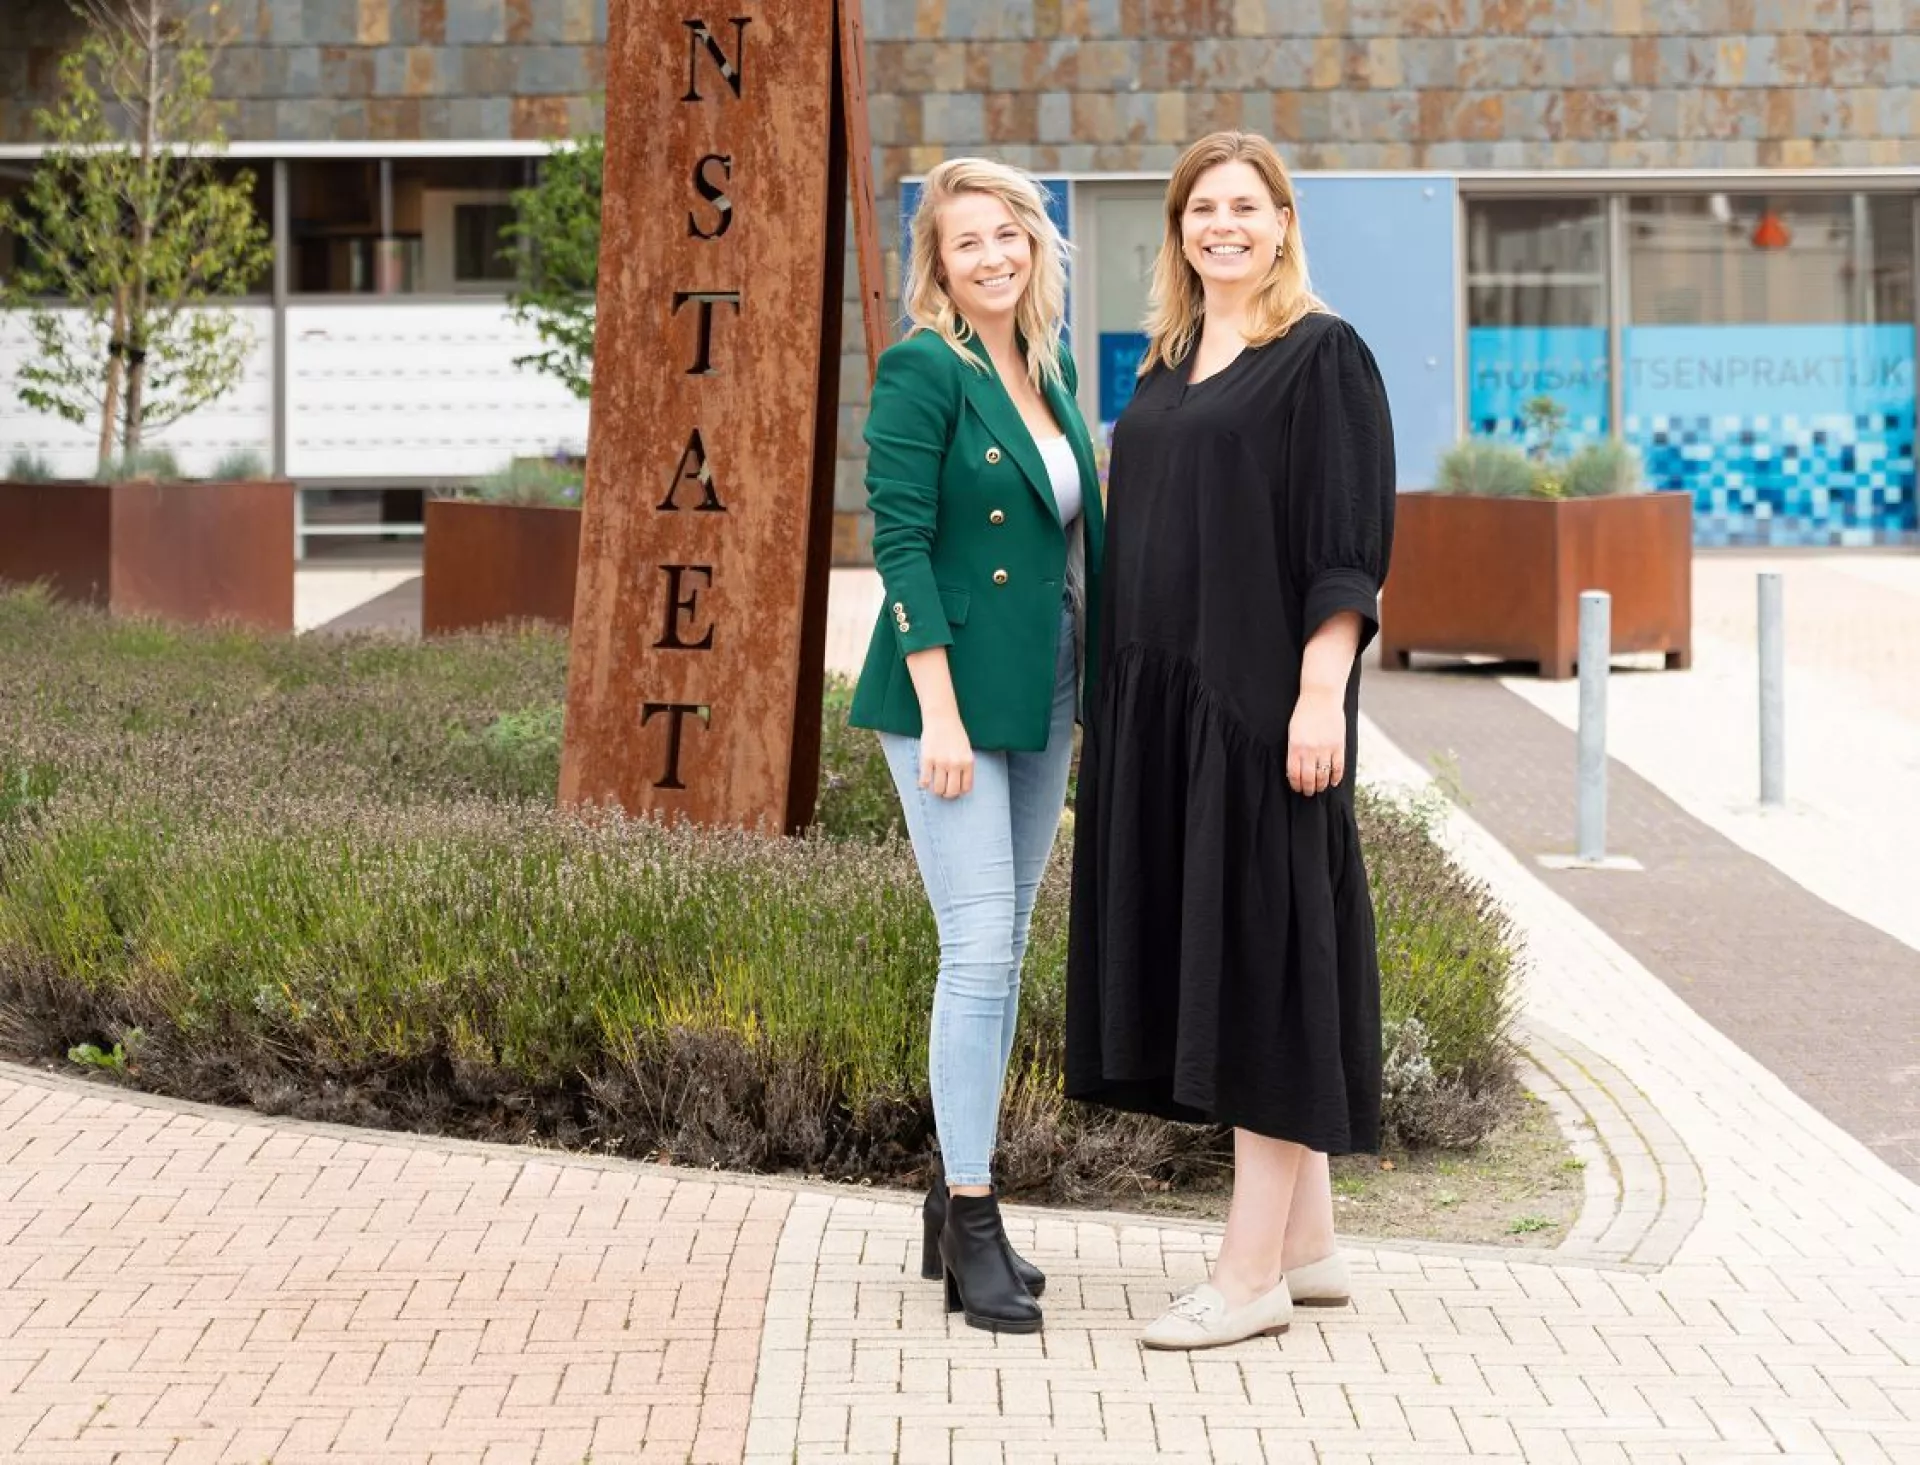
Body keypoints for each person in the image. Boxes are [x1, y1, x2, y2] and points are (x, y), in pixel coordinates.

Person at [1065, 131, 1396, 1351]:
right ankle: (1306, 1248)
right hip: (1160, 714)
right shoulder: (1159, 368)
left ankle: (1246, 1275)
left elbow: (1346, 547)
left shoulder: (1322, 356)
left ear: (1283, 222)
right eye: (1203, 208)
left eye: (1245, 207)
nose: (1224, 225)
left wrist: (1321, 692)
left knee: (1265, 970)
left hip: (1262, 712)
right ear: (1179, 230)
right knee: (1243, 957)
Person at [849, 158, 1105, 1335]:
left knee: (1005, 955)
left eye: (1009, 234)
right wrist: (938, 709)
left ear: (1033, 245)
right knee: (982, 951)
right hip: (947, 702)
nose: (993, 256)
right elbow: (898, 540)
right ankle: (973, 1210)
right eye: (968, 244)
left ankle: (950, 1205)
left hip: (1043, 692)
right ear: (937, 267)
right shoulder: (923, 367)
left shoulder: (1045, 366)